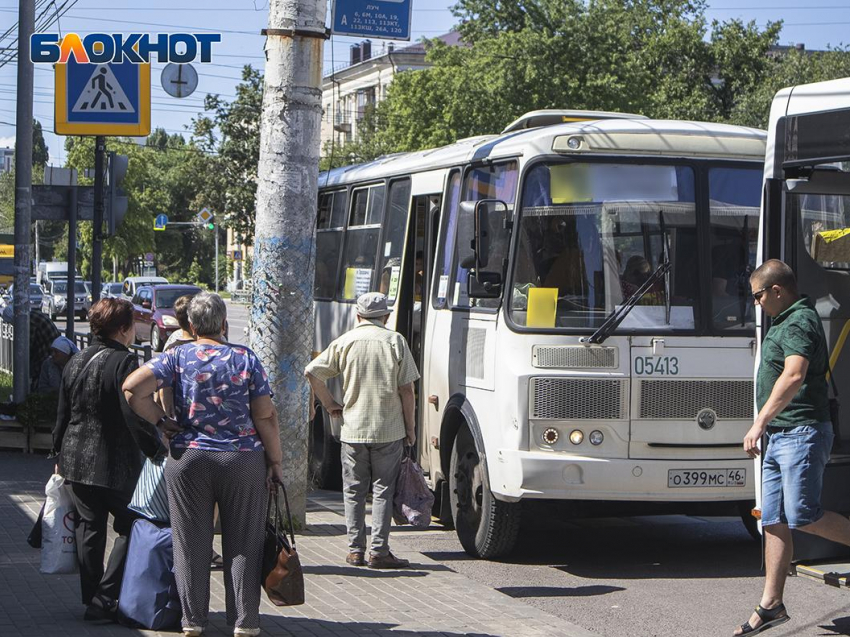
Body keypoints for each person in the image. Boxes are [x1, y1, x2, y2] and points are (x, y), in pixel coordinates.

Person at [123, 292, 282, 637]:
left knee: (190, 540)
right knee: (244, 539)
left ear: (192, 327)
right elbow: (265, 414)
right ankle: (245, 622)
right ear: (225, 324)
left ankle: (193, 621)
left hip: (189, 458)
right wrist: (276, 461)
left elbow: (132, 388)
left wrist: (161, 421)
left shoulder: (176, 357)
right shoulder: (246, 359)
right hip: (242, 459)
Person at [735, 259, 850, 636]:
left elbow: (795, 373)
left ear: (776, 291)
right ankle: (771, 605)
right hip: (781, 435)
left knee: (803, 514)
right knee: (772, 519)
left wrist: (759, 422)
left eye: (757, 295)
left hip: (800, 433)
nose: (756, 303)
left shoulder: (798, 321)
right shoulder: (785, 321)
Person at [51, 298, 166, 623]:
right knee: (134, 524)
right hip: (113, 463)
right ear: (124, 329)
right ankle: (105, 598)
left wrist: (57, 452)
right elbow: (134, 414)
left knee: (89, 529)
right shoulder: (125, 362)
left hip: (75, 460)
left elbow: (63, 411)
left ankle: (93, 599)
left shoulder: (76, 359)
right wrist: (155, 449)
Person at [305, 292, 419, 569]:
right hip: (388, 430)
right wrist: (411, 428)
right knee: (382, 491)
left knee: (353, 491)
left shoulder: (345, 342)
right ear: (386, 317)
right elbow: (407, 390)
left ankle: (355, 550)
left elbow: (312, 372)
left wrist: (330, 404)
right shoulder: (395, 341)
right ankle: (379, 552)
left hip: (353, 430)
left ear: (357, 316)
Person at [2, 304, 61, 391]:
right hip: (52, 348)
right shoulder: (33, 315)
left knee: (39, 384)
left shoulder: (28, 323)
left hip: (48, 352)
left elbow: (27, 349)